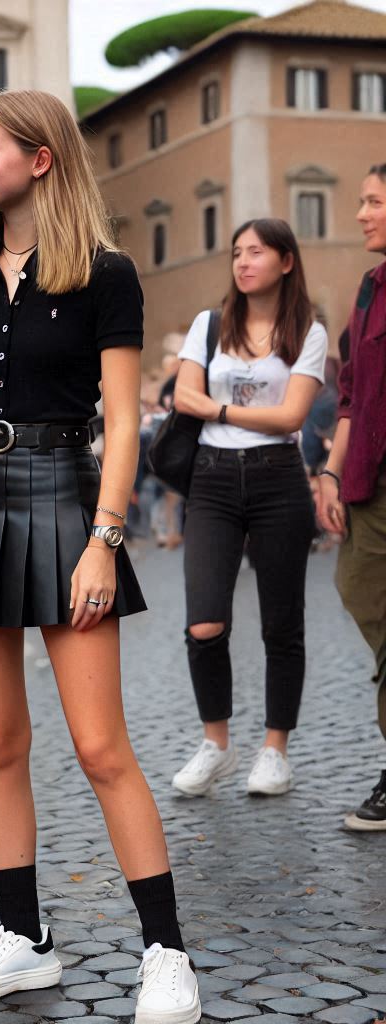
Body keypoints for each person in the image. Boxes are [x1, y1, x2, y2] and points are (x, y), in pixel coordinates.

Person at [0, 91, 201, 1024]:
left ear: (41, 157)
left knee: (100, 745)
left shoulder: (106, 274)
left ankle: (166, 953)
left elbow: (122, 422)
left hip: (68, 502)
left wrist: (106, 539)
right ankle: (24, 941)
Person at [171, 219, 327, 799]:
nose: (242, 261)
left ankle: (275, 750)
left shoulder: (308, 330)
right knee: (204, 620)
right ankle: (217, 743)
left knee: (282, 624)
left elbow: (292, 418)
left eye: (256, 252)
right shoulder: (209, 325)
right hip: (211, 481)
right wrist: (221, 411)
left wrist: (219, 410)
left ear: (286, 261)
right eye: (237, 252)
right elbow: (182, 396)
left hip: (278, 481)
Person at [316, 163, 386, 830]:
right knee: (361, 592)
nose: (362, 213)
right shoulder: (369, 287)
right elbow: (351, 395)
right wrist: (332, 474)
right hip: (368, 479)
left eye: (373, 201)